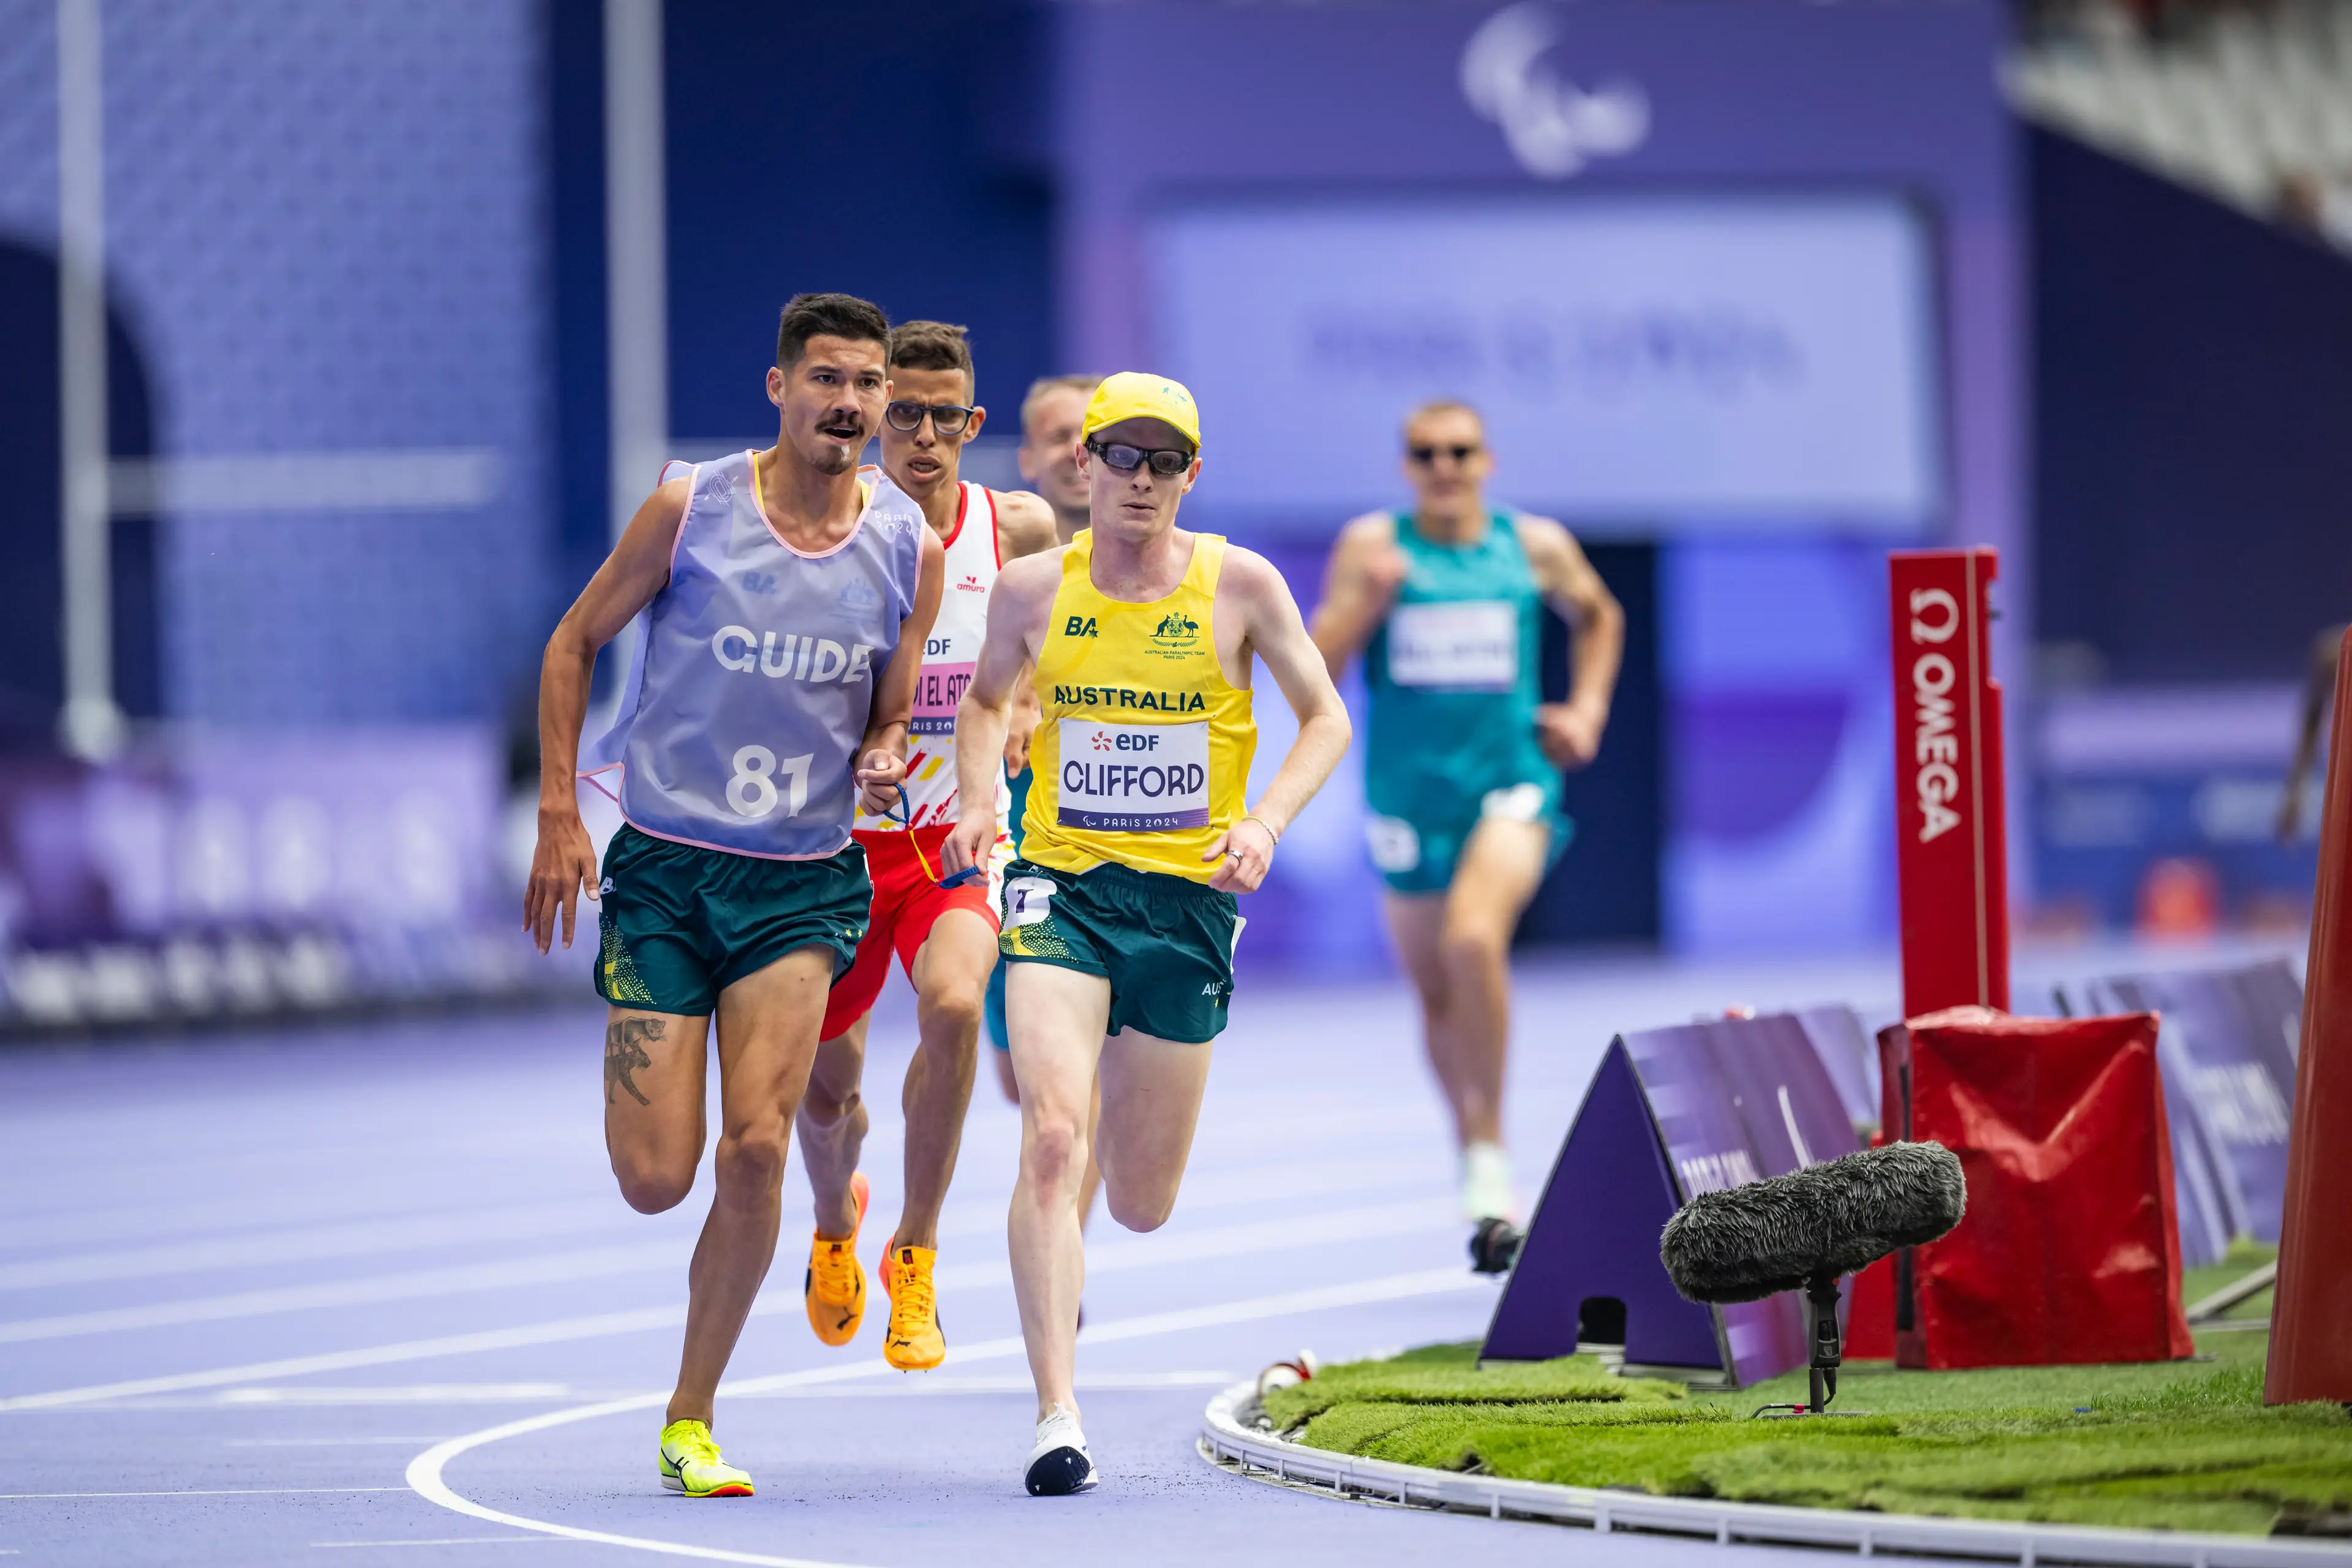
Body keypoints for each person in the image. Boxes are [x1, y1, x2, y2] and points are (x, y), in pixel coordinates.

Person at [526, 293, 944, 1499]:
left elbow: (892, 701)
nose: (852, 404)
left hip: (802, 887)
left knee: (756, 1145)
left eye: (868, 383)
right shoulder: (691, 505)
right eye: (828, 379)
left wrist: (882, 749)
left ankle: (690, 1416)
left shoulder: (902, 546)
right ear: (780, 388)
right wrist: (562, 809)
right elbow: (574, 641)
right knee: (657, 1176)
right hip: (665, 873)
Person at [944, 372, 1352, 1494]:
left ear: (1191, 475)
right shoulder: (1035, 590)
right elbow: (985, 702)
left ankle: (1085, 1255)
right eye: (1118, 455)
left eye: (1161, 460)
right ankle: (1056, 1417)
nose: (1138, 477)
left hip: (1186, 911)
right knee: (1051, 1139)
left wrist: (1266, 821)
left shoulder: (1242, 585)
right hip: (1062, 895)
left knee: (1139, 1200)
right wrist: (981, 803)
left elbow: (1326, 718)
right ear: (1086, 465)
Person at [794, 322, 1057, 1372]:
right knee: (826, 1098)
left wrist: (1031, 702)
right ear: (873, 415)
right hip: (836, 852)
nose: (924, 436)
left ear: (973, 424)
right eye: (904, 412)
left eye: (947, 416)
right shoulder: (831, 528)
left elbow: (1061, 640)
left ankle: (918, 1252)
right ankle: (833, 1221)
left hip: (956, 845)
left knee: (954, 1006)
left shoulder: (1020, 528)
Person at [1310, 400, 1623, 1231]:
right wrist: (1370, 605)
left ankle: (1489, 1150)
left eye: (1460, 451)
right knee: (1438, 994)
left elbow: (1600, 614)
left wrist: (1586, 710)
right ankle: (1471, 1142)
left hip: (1510, 782)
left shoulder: (1533, 545)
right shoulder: (1372, 548)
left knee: (1473, 940)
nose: (1444, 466)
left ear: (1487, 460)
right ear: (1407, 466)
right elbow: (1321, 665)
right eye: (1425, 453)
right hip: (1409, 800)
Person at [983, 377, 1105, 1229]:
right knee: (1019, 1077)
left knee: (1077, 1079)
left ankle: (1064, 1248)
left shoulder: (1168, 572)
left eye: (1089, 435)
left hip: (1116, 849)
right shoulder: (994, 562)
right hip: (1006, 840)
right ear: (1027, 457)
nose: (1074, 451)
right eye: (1056, 436)